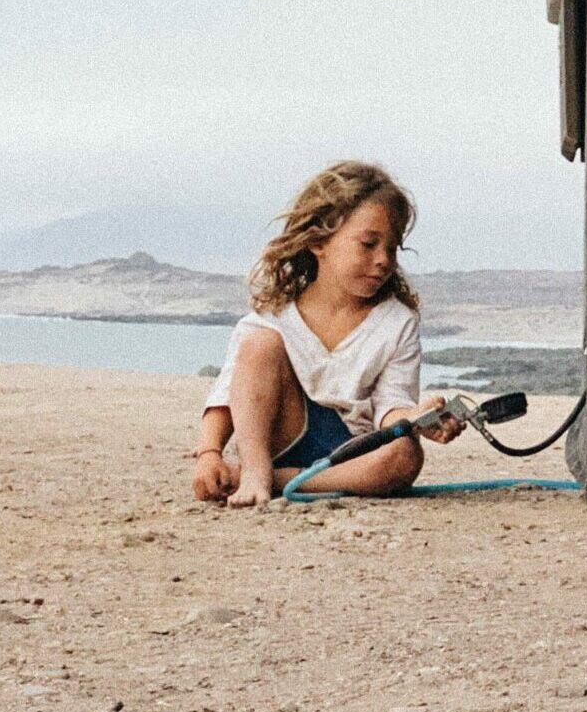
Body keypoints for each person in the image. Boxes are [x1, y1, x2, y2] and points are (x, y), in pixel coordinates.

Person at [193, 161, 461, 507]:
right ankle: (256, 472)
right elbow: (229, 392)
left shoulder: (397, 322)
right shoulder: (276, 314)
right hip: (281, 438)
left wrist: (414, 420)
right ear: (319, 241)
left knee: (405, 455)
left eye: (391, 249)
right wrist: (209, 453)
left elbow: (390, 406)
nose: (383, 260)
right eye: (368, 244)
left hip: (353, 452)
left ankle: (278, 480)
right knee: (259, 346)